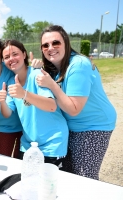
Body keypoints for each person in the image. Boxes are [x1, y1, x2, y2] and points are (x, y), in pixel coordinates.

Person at [36, 25, 117, 179]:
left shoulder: (78, 64)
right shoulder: (56, 68)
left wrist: (51, 84)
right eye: (45, 45)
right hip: (72, 127)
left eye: (56, 43)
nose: (50, 48)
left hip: (94, 126)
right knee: (70, 175)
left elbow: (73, 109)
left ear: (66, 43)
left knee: (85, 178)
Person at [0, 39, 69, 168]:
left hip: (51, 145)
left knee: (48, 186)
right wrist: (2, 102)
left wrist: (24, 94)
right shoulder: (10, 82)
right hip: (28, 145)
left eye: (15, 54)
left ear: (24, 54)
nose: (11, 59)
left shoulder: (37, 74)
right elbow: (7, 113)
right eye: (7, 57)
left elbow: (52, 106)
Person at [0, 35, 43, 158]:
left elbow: (26, 71)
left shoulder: (10, 68)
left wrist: (38, 66)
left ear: (1, 54)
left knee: (20, 163)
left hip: (24, 127)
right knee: (3, 162)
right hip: (5, 127)